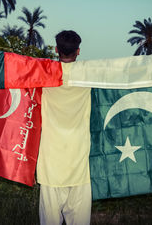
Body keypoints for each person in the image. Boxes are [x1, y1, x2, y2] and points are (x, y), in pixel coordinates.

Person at [36, 30, 92, 225]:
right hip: (79, 164)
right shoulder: (88, 75)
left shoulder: (43, 75)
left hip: (50, 164)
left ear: (56, 50)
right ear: (78, 51)